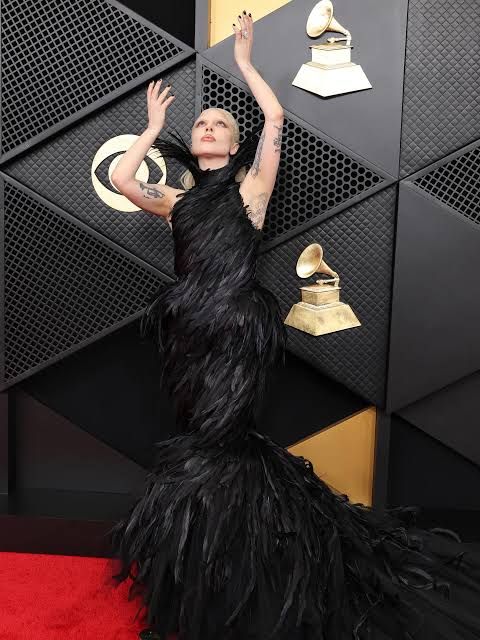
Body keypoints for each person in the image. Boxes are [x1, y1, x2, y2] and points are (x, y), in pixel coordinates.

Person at [107, 10, 480, 640]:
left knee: (222, 439)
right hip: (189, 334)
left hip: (236, 332)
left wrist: (245, 64)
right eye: (200, 124)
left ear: (234, 145)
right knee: (198, 436)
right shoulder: (177, 202)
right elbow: (121, 177)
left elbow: (275, 117)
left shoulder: (251, 190)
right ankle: (209, 567)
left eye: (219, 124)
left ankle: (238, 567)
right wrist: (149, 130)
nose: (207, 128)